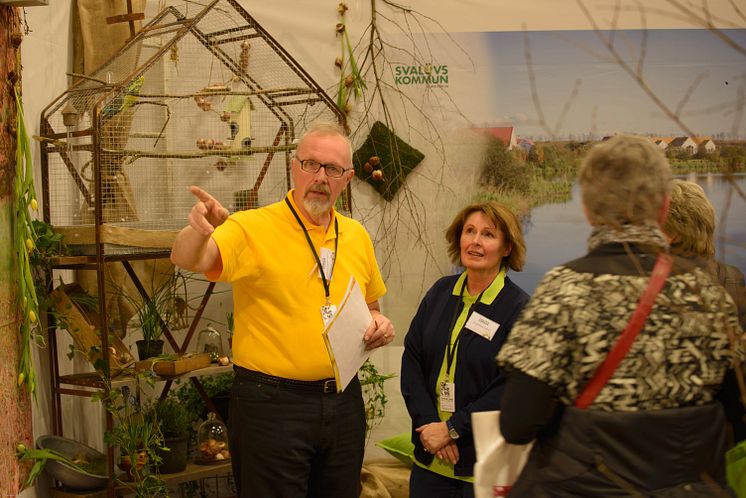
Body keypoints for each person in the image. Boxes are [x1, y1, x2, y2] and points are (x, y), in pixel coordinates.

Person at [496, 135, 743, 496]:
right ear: (662, 209)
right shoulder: (707, 296)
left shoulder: (562, 290)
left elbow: (517, 424)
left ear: (589, 211)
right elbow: (738, 413)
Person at [170, 121, 395, 498]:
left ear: (348, 178)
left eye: (333, 169)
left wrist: (380, 324)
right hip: (271, 407)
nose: (320, 177)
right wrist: (198, 231)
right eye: (311, 164)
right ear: (294, 167)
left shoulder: (355, 236)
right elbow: (189, 257)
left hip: (342, 404)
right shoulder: (252, 226)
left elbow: (371, 308)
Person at [401, 201, 530, 498]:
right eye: (469, 231)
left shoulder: (518, 309)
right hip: (429, 457)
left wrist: (452, 429)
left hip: (482, 468)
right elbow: (412, 359)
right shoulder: (440, 292)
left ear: (507, 248)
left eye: (488, 234)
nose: (475, 241)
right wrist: (429, 426)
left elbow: (509, 387)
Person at [663, 178, 746, 444]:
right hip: (723, 439)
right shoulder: (732, 279)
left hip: (673, 445)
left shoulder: (656, 287)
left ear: (671, 233)